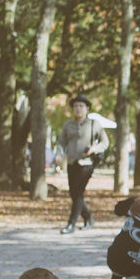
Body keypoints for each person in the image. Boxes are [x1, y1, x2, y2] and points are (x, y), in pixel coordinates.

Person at [57, 94, 109, 234]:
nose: (78, 109)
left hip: (87, 164)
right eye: (75, 106)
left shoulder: (94, 124)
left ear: (87, 108)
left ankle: (71, 224)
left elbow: (105, 142)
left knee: (78, 192)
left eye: (81, 106)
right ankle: (89, 218)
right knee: (74, 193)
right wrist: (59, 154)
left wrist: (94, 149)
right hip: (72, 162)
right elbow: (62, 142)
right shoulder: (68, 125)